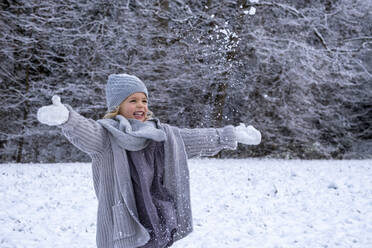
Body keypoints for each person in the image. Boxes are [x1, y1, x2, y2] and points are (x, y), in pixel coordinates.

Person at [37, 74, 261, 248]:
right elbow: (85, 131)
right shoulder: (106, 138)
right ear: (116, 108)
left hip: (159, 224)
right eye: (132, 100)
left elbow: (192, 139)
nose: (141, 106)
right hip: (124, 231)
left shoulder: (162, 135)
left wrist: (230, 136)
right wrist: (67, 118)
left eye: (144, 100)